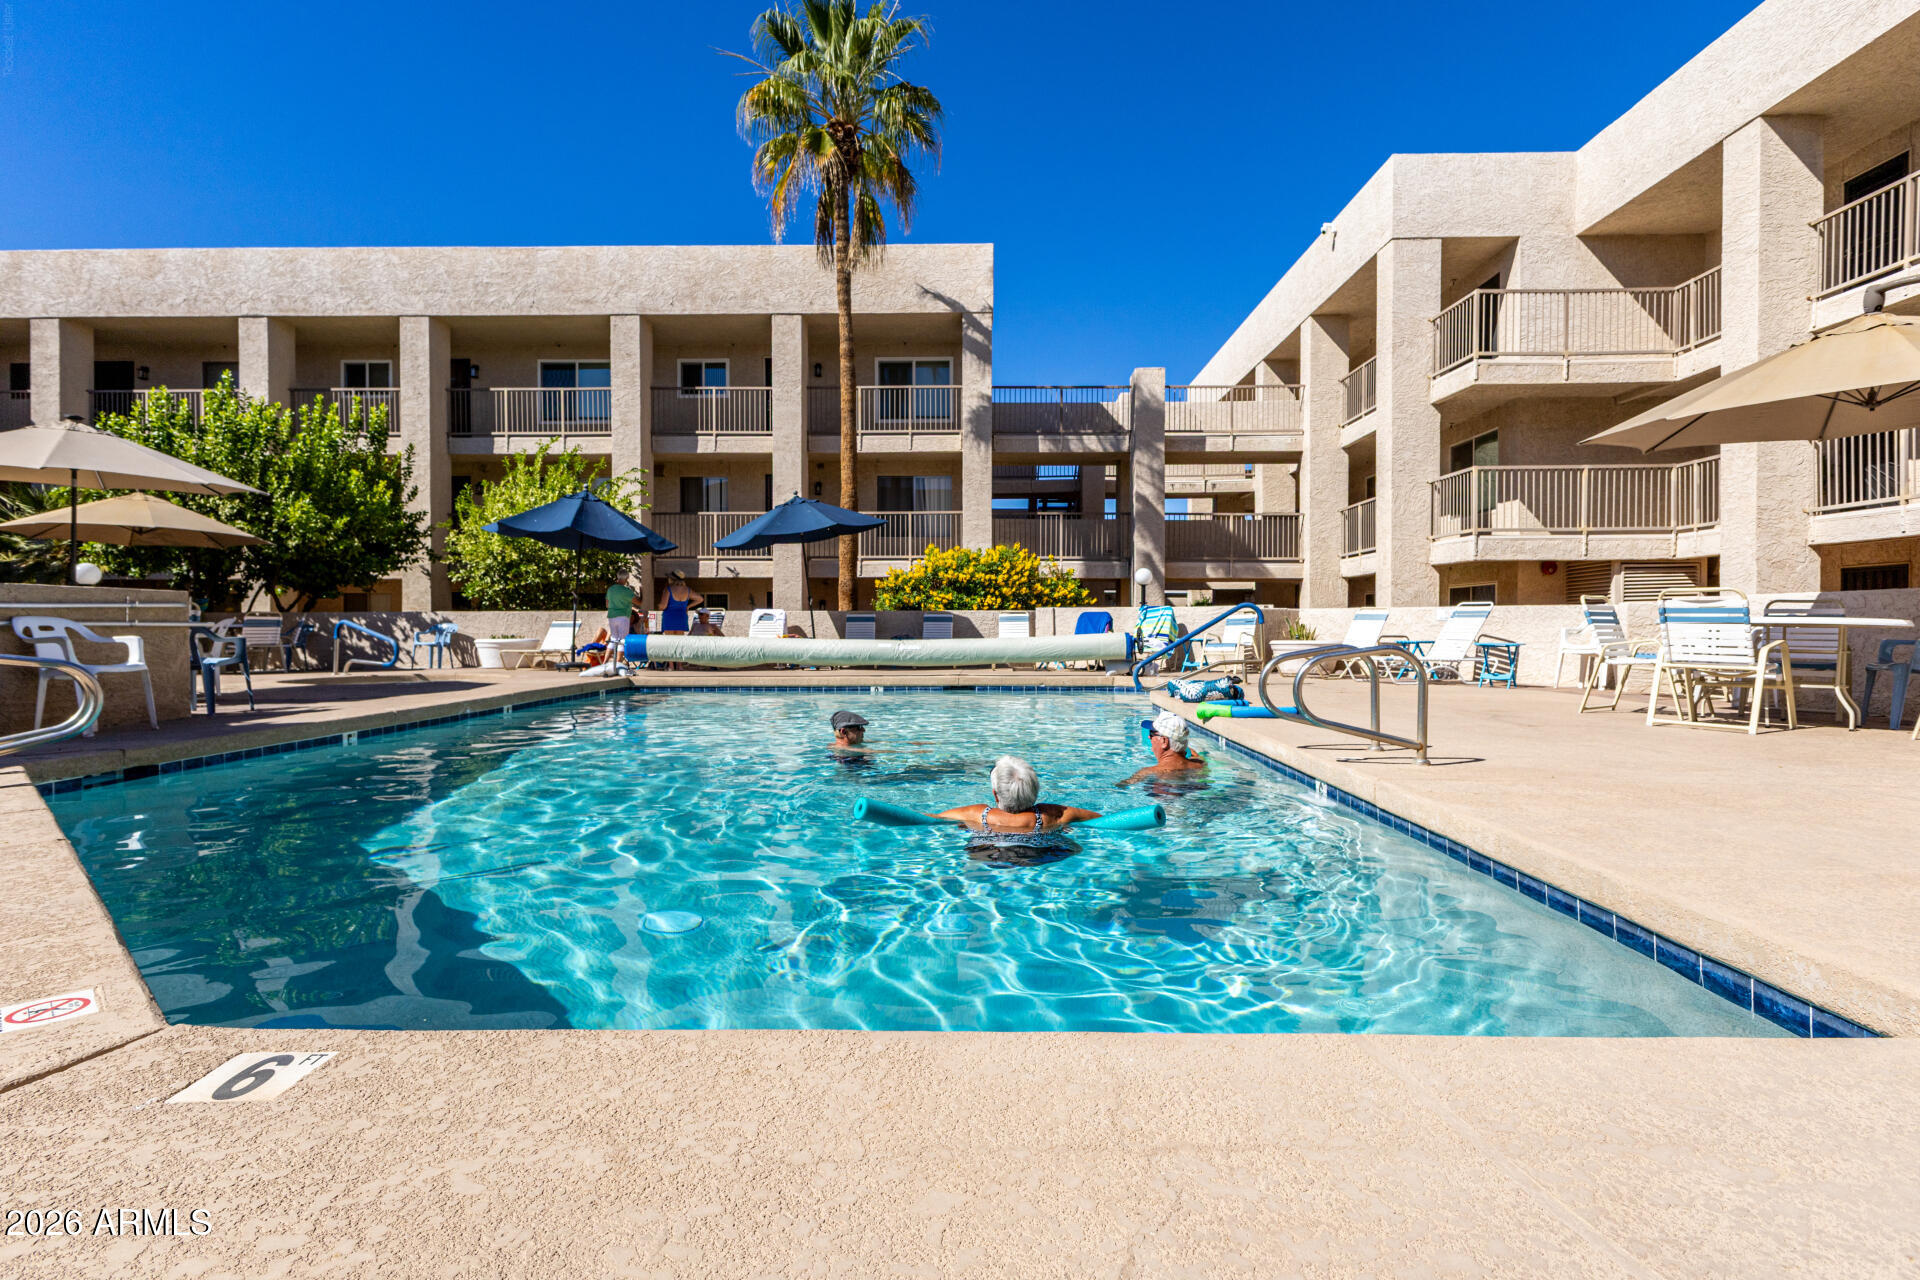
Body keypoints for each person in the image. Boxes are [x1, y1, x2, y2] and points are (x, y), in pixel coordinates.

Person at [935, 756, 1102, 834]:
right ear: (1035, 791)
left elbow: (931, 819)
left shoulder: (978, 814)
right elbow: (1102, 820)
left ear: (995, 795)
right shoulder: (1053, 814)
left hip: (990, 856)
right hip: (1041, 856)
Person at [1121, 712, 1207, 785]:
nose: (1149, 737)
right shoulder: (1201, 764)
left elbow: (1121, 786)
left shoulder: (1147, 772)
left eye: (1151, 734)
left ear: (1164, 741)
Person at [657, 570, 703, 636]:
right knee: (679, 640)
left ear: (672, 579)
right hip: (682, 617)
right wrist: (688, 606)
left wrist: (659, 606)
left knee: (669, 640)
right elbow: (700, 599)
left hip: (669, 617)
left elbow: (663, 606)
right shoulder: (688, 590)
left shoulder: (668, 589)